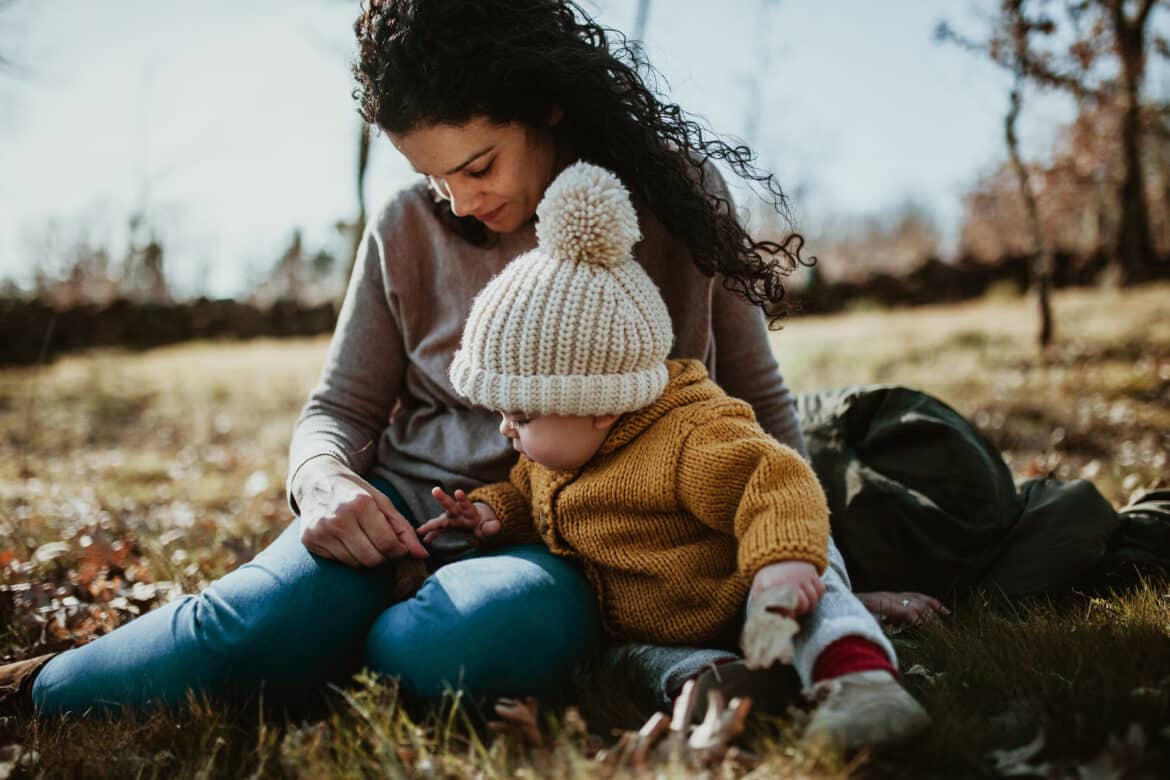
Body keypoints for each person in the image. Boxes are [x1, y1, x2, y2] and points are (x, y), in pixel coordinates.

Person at [2, 0, 938, 750]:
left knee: (469, 645)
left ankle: (326, 651)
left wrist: (824, 576)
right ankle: (36, 688)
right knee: (242, 628)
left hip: (559, 553)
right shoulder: (408, 228)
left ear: (549, 104)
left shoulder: (676, 198)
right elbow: (336, 408)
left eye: (479, 164)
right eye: (438, 178)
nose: (463, 200)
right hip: (396, 516)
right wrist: (324, 484)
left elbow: (761, 416)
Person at [414, 160, 930, 746]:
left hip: (749, 590)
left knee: (816, 600)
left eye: (523, 415)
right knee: (630, 662)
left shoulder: (688, 437)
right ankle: (719, 683)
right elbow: (529, 501)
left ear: (599, 405)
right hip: (661, 628)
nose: (506, 430)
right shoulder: (553, 458)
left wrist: (781, 564)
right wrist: (490, 513)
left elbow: (776, 480)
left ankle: (861, 681)